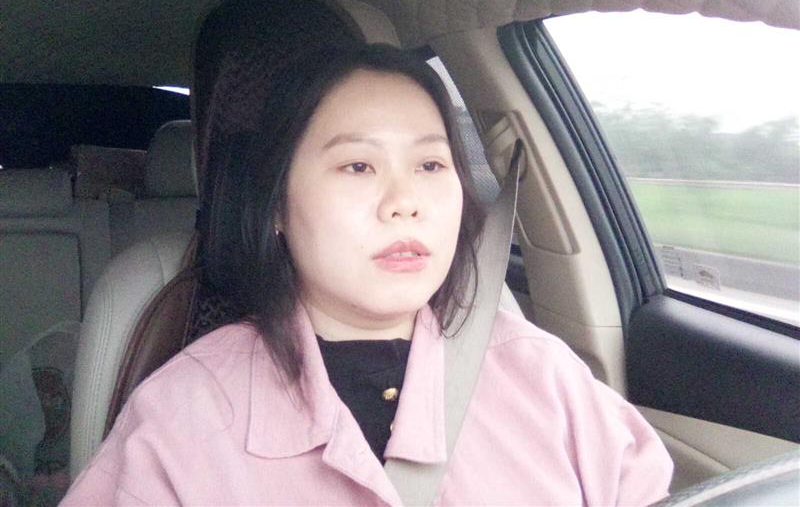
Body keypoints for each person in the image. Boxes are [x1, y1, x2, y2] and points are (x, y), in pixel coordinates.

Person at [61, 44, 673, 506]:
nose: (405, 202)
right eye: (358, 166)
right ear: (277, 206)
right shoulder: (183, 414)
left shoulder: (544, 376)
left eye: (430, 164)